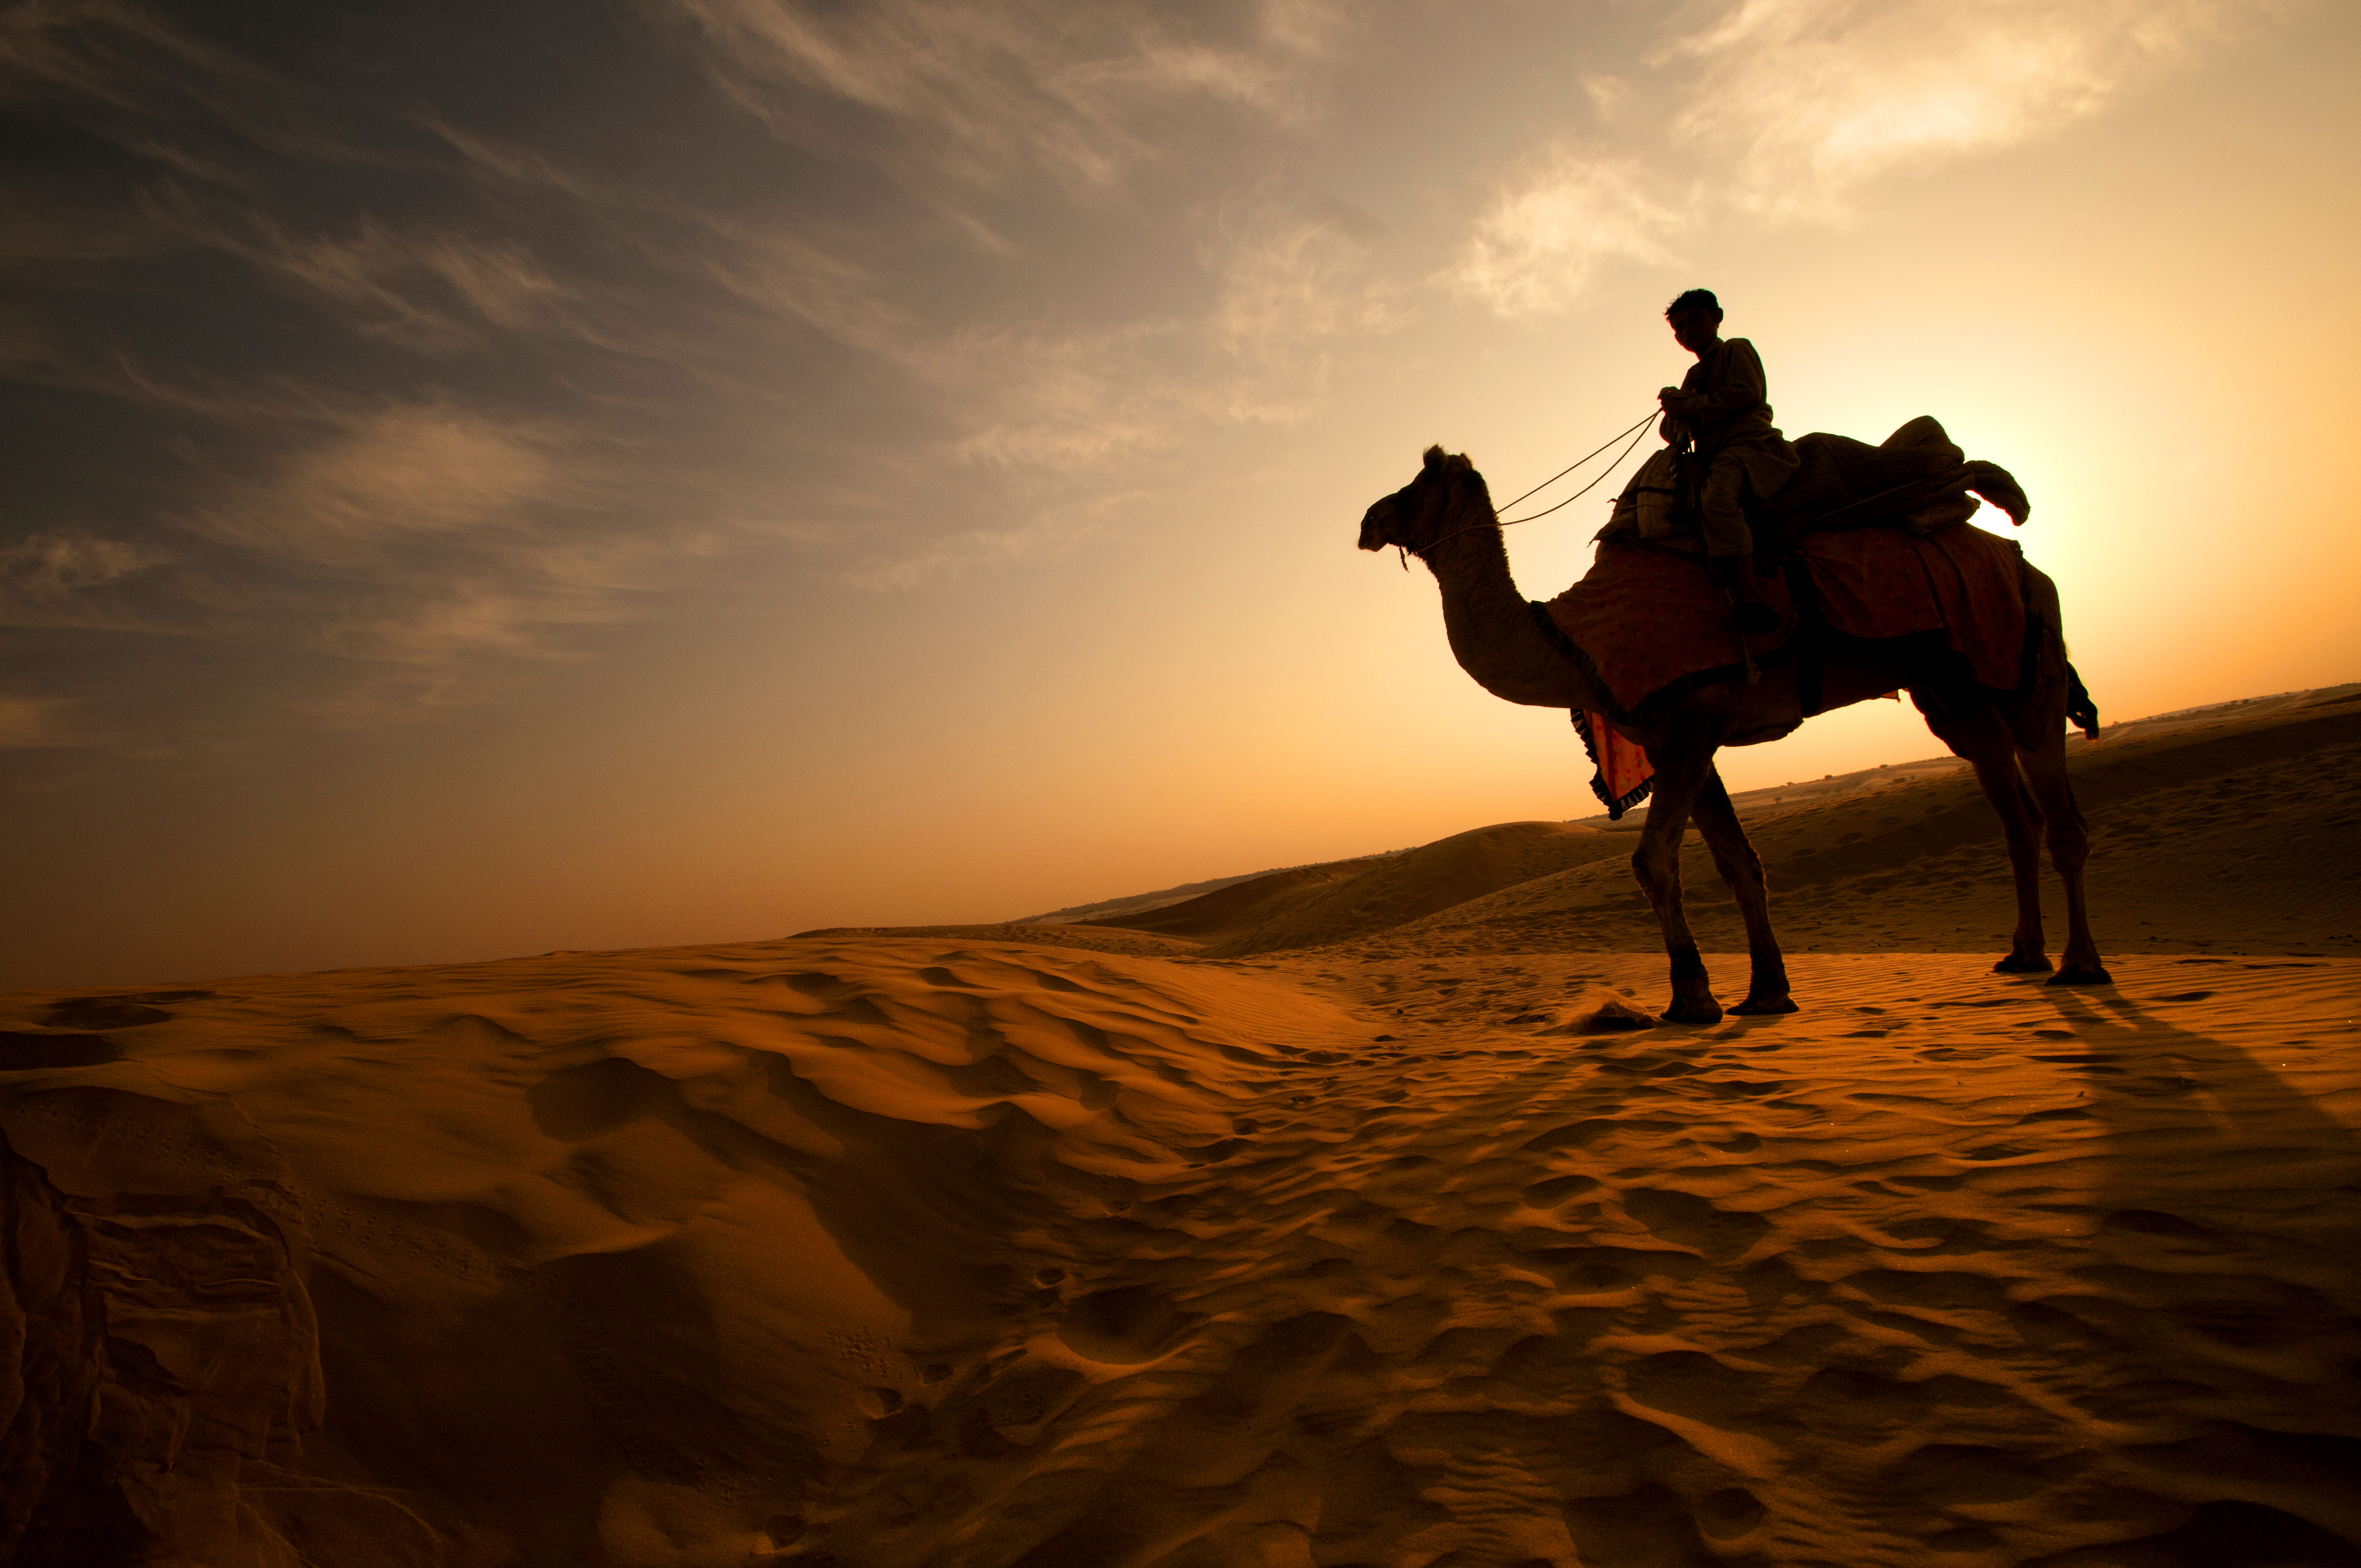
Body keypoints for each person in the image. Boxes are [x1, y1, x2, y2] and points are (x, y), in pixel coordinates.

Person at [1655, 288, 1799, 634]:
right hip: (1713, 455)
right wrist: (1676, 406)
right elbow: (1675, 433)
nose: (1688, 330)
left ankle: (1752, 596)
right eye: (1680, 327)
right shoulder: (1694, 376)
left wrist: (1688, 406)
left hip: (1747, 445)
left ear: (1717, 317)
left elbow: (1746, 392)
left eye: (1695, 319)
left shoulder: (1736, 348)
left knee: (1717, 502)